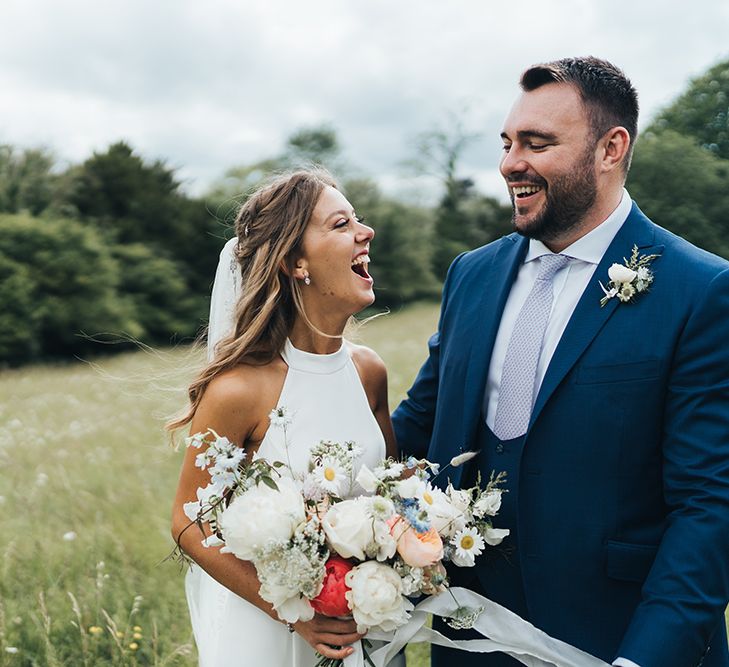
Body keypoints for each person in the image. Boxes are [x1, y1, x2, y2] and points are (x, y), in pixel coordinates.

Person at [392, 56, 729, 667]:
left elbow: (709, 504)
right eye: (507, 143)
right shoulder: (471, 275)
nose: (510, 164)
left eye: (537, 143)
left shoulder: (701, 290)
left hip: (611, 640)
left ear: (610, 148)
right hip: (470, 642)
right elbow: (416, 428)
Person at [169, 169, 402, 666]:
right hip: (272, 636)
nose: (366, 232)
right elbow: (188, 525)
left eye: (357, 219)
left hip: (363, 628)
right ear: (297, 262)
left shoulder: (369, 373)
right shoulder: (238, 390)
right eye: (342, 224)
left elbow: (390, 499)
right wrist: (295, 613)